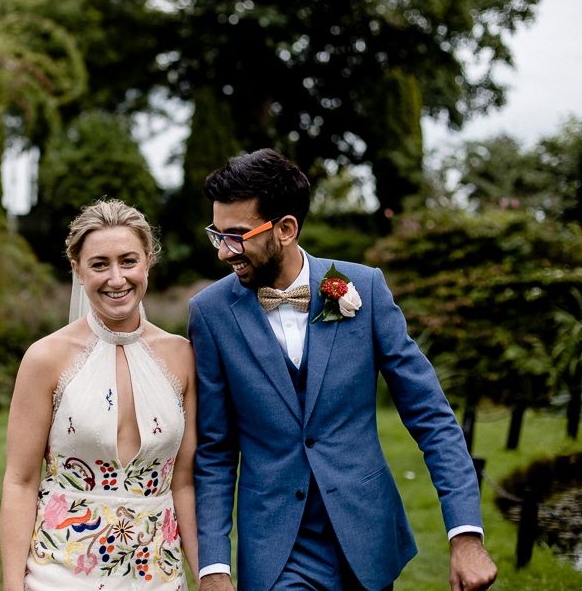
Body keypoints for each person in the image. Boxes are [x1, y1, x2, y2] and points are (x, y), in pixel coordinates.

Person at [188, 149, 498, 591]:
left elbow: (431, 416)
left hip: (365, 535)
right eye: (217, 235)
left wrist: (465, 534)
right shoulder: (210, 313)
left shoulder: (363, 289)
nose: (223, 252)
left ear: (286, 229)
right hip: (277, 548)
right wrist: (214, 567)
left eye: (236, 236)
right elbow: (216, 451)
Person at [0, 199, 198, 590]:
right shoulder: (45, 359)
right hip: (60, 574)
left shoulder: (182, 356)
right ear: (77, 270)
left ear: (148, 261)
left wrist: (208, 576)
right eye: (99, 264)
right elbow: (20, 481)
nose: (116, 278)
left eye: (128, 261)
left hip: (156, 575)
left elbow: (185, 482)